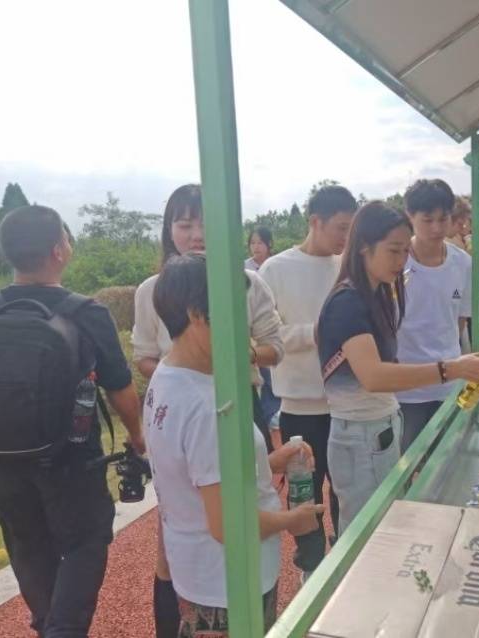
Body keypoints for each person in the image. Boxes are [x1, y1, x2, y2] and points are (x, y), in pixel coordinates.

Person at [0, 206, 144, 638]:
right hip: (70, 461)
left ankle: (49, 624)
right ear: (59, 250)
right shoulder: (86, 312)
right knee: (87, 539)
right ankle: (62, 630)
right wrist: (137, 436)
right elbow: (119, 387)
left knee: (27, 545)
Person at [131, 184, 284, 637]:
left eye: (206, 224)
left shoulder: (246, 283)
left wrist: (236, 353)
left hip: (231, 398)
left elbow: (274, 347)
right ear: (169, 231)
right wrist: (185, 374)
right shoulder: (151, 291)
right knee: (189, 522)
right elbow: (143, 354)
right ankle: (190, 616)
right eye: (185, 224)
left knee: (236, 489)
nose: (197, 234)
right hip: (188, 405)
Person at [144, 254, 323, 635]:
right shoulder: (207, 406)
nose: (245, 329)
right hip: (227, 583)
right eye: (233, 312)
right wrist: (294, 520)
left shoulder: (169, 375)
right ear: (197, 314)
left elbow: (199, 470)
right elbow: (229, 526)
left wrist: (269, 461)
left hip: (199, 573)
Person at [317, 202, 479, 532]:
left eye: (405, 251)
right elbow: (373, 376)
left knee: (385, 525)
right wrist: (451, 369)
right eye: (393, 251)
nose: (401, 261)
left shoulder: (376, 295)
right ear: (363, 248)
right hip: (360, 436)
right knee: (367, 535)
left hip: (381, 427)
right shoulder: (348, 302)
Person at [259, 184, 356, 575]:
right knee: (305, 492)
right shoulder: (276, 270)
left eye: (351, 229)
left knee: (346, 491)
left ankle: (346, 563)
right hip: (299, 407)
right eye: (340, 228)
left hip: (346, 402)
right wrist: (317, 332)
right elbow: (267, 337)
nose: (346, 238)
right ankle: (310, 567)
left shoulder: (345, 267)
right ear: (315, 222)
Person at [396, 179, 473, 451]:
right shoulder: (397, 262)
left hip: (449, 386)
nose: (437, 228)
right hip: (407, 390)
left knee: (446, 463)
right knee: (404, 468)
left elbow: (460, 320)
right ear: (410, 217)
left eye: (444, 219)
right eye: (427, 220)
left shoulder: (462, 262)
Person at [245, 227, 281, 433]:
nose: (256, 247)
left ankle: (272, 412)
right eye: (252, 243)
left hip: (267, 328)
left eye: (260, 243)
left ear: (269, 245)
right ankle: (270, 413)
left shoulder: (271, 268)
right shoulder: (243, 270)